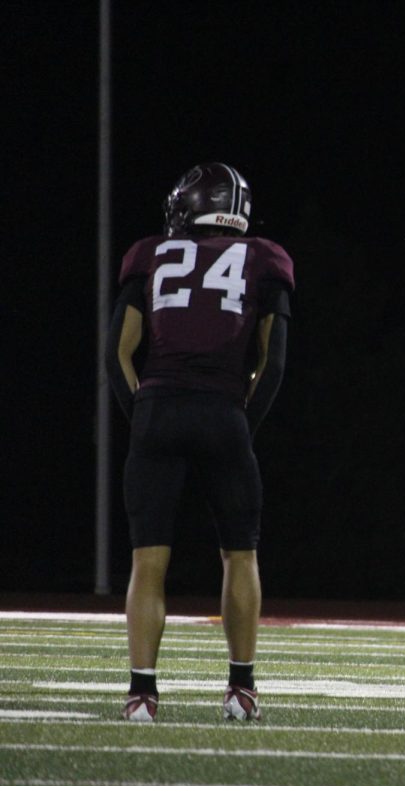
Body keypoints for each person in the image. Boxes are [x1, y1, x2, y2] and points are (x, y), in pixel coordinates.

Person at [105, 162, 295, 722]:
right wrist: (242, 424)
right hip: (223, 411)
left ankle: (142, 694)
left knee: (148, 561)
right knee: (240, 553)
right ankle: (240, 689)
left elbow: (117, 352)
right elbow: (274, 362)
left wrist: (141, 415)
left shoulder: (150, 254)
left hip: (159, 406)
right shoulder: (266, 258)